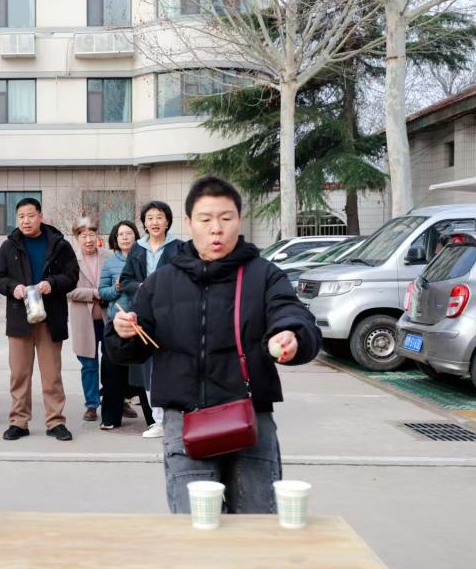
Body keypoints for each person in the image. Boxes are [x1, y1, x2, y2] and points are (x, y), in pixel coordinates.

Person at [106, 176, 321, 514]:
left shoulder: (263, 275)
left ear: (239, 219)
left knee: (256, 522)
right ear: (189, 223)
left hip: (250, 415)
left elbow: (293, 314)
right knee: (196, 525)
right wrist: (123, 332)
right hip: (184, 419)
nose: (216, 229)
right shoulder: (161, 282)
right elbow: (129, 348)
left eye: (226, 218)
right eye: (206, 219)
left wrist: (291, 334)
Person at [0, 197, 79, 442]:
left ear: (40, 216)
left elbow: (72, 275)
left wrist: (52, 283)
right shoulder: (9, 246)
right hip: (20, 317)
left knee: (52, 374)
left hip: (50, 318)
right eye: (21, 216)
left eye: (30, 215)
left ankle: (55, 422)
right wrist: (13, 288)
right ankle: (18, 422)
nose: (26, 221)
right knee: (19, 374)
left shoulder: (59, 244)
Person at [119, 200, 183, 437]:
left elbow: (187, 277)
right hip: (144, 315)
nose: (155, 222)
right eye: (150, 218)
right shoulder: (137, 248)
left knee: (174, 364)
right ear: (144, 223)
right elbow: (125, 280)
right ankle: (158, 421)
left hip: (173, 315)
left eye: (159, 217)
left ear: (167, 221)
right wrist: (142, 287)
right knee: (148, 368)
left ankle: (176, 418)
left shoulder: (179, 247)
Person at [98, 220, 155, 430]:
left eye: (129, 233)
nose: (124, 237)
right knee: (113, 373)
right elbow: (102, 292)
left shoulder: (144, 257)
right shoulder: (111, 262)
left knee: (144, 372)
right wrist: (116, 288)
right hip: (117, 322)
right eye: (120, 234)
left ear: (136, 236)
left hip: (142, 322)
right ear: (115, 238)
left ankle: (153, 420)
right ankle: (110, 418)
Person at [67, 217, 110, 422]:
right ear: (77, 238)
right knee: (89, 364)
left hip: (108, 318)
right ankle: (92, 404)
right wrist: (93, 293)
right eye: (83, 235)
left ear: (97, 236)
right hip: (84, 321)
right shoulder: (70, 260)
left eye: (91, 234)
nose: (88, 239)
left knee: (112, 362)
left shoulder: (108, 256)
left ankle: (116, 399)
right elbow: (68, 290)